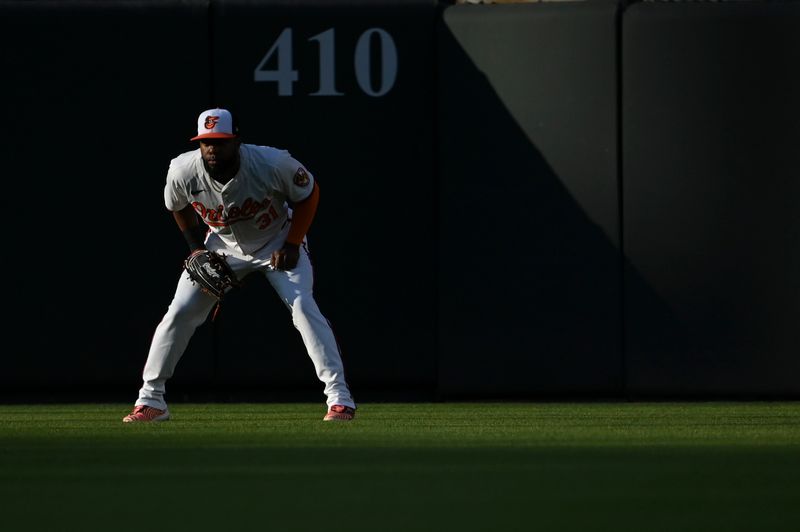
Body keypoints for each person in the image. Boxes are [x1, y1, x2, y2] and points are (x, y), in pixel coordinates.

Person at [122, 108, 356, 422]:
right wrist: (195, 250)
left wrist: (292, 242)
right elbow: (176, 206)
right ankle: (151, 400)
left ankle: (340, 398)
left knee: (302, 308)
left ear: (236, 140)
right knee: (179, 312)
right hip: (221, 247)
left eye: (219, 142)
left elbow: (309, 193)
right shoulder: (182, 169)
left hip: (277, 240)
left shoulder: (271, 163)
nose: (212, 149)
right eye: (205, 142)